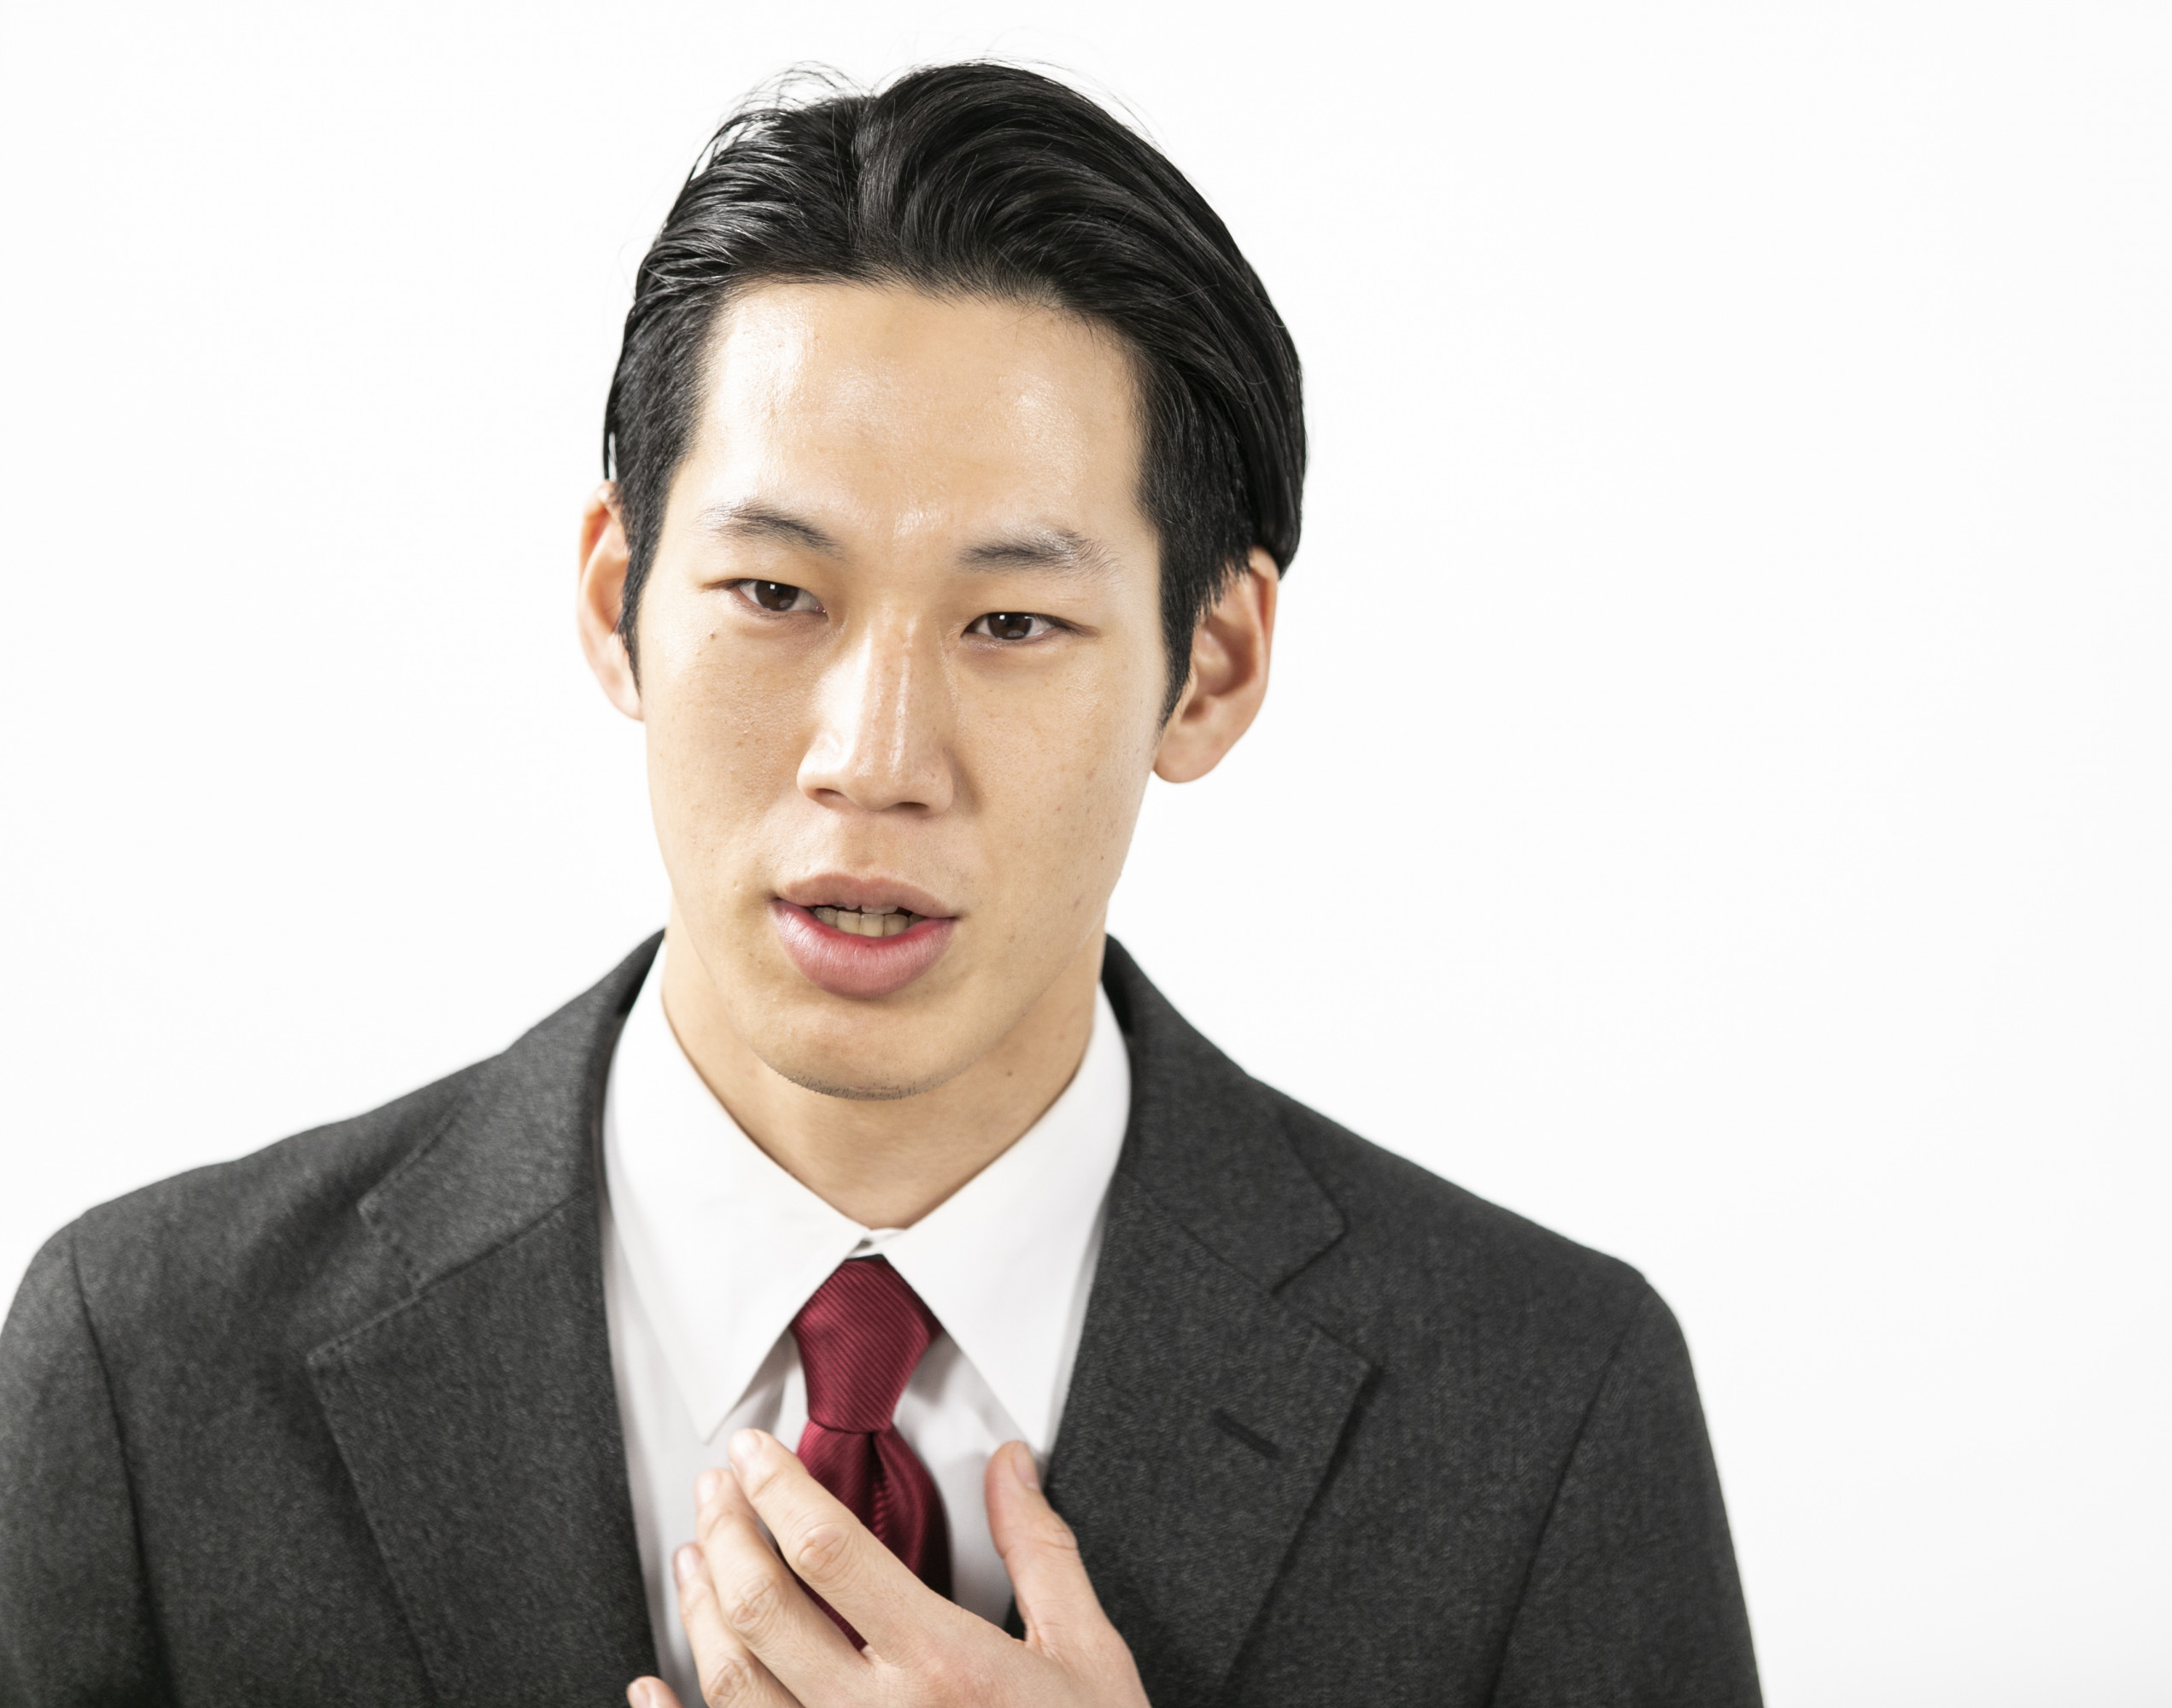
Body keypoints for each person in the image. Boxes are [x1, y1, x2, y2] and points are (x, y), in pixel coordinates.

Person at [0, 63, 1759, 1708]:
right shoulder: (148, 1366)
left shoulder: (1547, 1403)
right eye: (775, 594)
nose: (874, 753)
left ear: (1210, 666)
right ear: (617, 599)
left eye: (1014, 621)